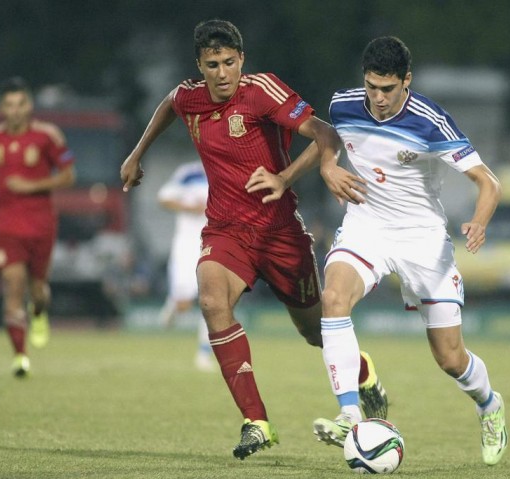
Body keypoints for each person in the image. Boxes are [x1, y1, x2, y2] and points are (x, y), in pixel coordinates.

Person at [120, 19, 388, 460]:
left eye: (230, 62)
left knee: (315, 331)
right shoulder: (190, 97)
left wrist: (286, 177)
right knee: (212, 301)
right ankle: (257, 422)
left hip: (280, 233)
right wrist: (137, 152)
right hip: (226, 231)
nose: (222, 72)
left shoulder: (261, 91)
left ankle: (363, 371)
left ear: (241, 59)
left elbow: (325, 132)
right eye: (213, 65)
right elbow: (170, 103)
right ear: (200, 66)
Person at [308, 36, 506, 466]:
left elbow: (488, 182)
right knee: (333, 297)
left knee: (449, 357)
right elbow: (329, 135)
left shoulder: (431, 122)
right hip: (366, 225)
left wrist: (479, 221)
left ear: (407, 81)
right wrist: (327, 165)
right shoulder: (344, 104)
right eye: (371, 87)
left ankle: (489, 404)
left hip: (422, 239)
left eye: (387, 89)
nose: (378, 98)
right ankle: (349, 415)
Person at [0, 77, 76, 377]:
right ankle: (20, 357)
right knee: (13, 284)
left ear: (29, 105)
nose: (15, 110)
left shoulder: (48, 135)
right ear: (2, 108)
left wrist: (31, 185)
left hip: (40, 223)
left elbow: (69, 175)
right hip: (4, 223)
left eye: (20, 104)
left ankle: (38, 312)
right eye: (9, 105)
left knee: (38, 290)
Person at [156, 160, 215, 372]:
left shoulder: (230, 172)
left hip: (215, 242)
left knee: (212, 299)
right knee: (184, 303)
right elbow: (163, 198)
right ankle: (173, 305)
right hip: (187, 244)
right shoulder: (189, 173)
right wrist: (190, 208)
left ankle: (203, 354)